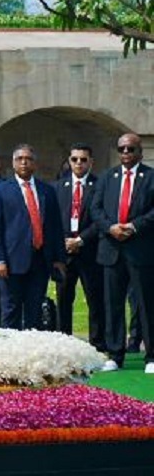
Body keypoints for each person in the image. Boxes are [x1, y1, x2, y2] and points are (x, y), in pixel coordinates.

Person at [91, 133, 154, 373]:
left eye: (130, 149)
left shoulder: (150, 177)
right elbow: (95, 208)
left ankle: (151, 356)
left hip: (141, 251)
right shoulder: (108, 177)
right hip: (111, 250)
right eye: (122, 149)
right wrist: (110, 227)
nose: (125, 154)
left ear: (140, 152)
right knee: (112, 304)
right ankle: (115, 355)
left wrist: (134, 226)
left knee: (146, 306)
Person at [0, 144, 67, 330]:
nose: (24, 162)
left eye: (28, 159)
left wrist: (59, 259)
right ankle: (11, 353)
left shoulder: (47, 191)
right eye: (20, 159)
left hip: (40, 261)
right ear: (13, 164)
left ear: (34, 164)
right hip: (11, 262)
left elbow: (55, 227)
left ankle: (32, 354)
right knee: (10, 311)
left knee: (35, 311)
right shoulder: (1, 190)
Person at [53, 143, 103, 349]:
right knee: (64, 300)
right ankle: (65, 344)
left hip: (90, 251)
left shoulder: (100, 185)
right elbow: (52, 219)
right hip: (64, 253)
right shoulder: (57, 187)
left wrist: (80, 240)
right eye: (75, 159)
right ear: (69, 161)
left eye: (83, 159)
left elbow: (101, 219)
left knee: (95, 300)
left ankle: (97, 344)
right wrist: (63, 242)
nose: (79, 163)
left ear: (91, 162)